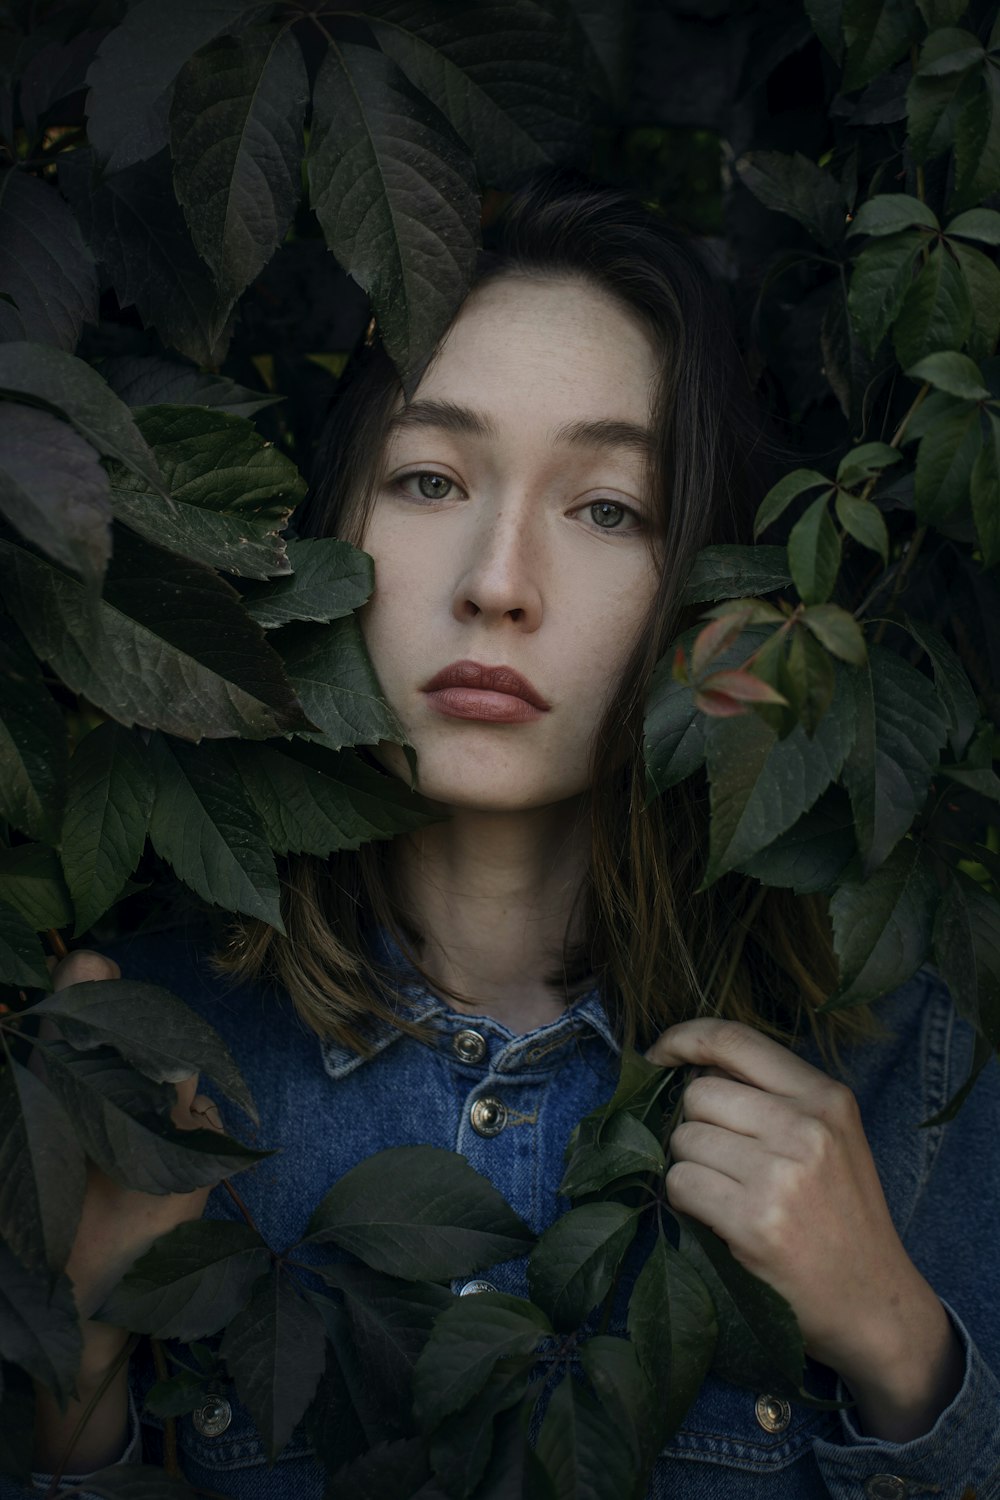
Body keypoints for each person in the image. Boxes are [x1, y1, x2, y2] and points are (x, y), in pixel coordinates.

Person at [16, 172, 1000, 1499]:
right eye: (429, 478)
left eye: (608, 508)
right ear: (333, 530)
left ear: (718, 601)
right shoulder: (154, 1070)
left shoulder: (906, 1073)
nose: (497, 582)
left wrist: (898, 1346)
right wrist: (68, 1380)